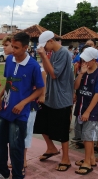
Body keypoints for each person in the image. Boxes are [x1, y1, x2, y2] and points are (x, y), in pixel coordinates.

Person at [0, 32, 44, 179]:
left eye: (16, 48)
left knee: (16, 147)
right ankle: (3, 171)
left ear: (25, 47)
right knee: (0, 142)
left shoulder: (33, 66)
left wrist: (23, 103)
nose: (13, 50)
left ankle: (17, 174)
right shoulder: (10, 60)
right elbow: (9, 81)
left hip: (20, 113)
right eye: (12, 47)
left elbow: (40, 89)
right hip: (5, 110)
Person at [35, 31, 74, 172]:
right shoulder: (53, 54)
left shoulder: (63, 53)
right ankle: (51, 148)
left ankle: (66, 158)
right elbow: (46, 70)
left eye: (45, 45)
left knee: (62, 129)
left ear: (51, 41)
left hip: (62, 97)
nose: (44, 48)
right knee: (40, 123)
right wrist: (44, 57)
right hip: (51, 95)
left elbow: (53, 74)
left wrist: (44, 56)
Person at [73, 47, 98, 175]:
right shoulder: (83, 72)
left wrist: (87, 112)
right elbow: (76, 87)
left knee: (88, 137)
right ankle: (91, 159)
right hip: (81, 108)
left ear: (94, 60)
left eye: (87, 60)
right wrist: (81, 73)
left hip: (91, 111)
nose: (84, 62)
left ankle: (87, 162)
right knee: (85, 136)